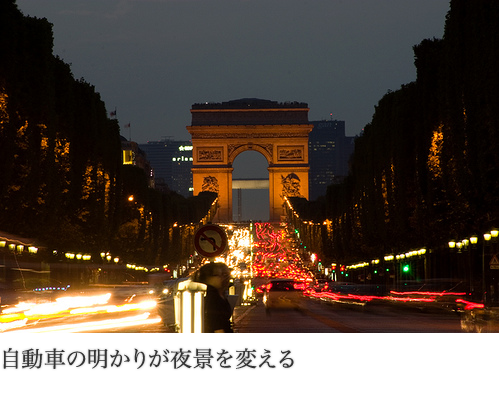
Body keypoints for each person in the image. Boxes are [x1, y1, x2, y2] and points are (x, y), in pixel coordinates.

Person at [192, 262, 233, 333]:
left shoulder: (219, 293)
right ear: (208, 278)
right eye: (218, 275)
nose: (222, 278)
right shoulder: (212, 297)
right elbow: (216, 324)